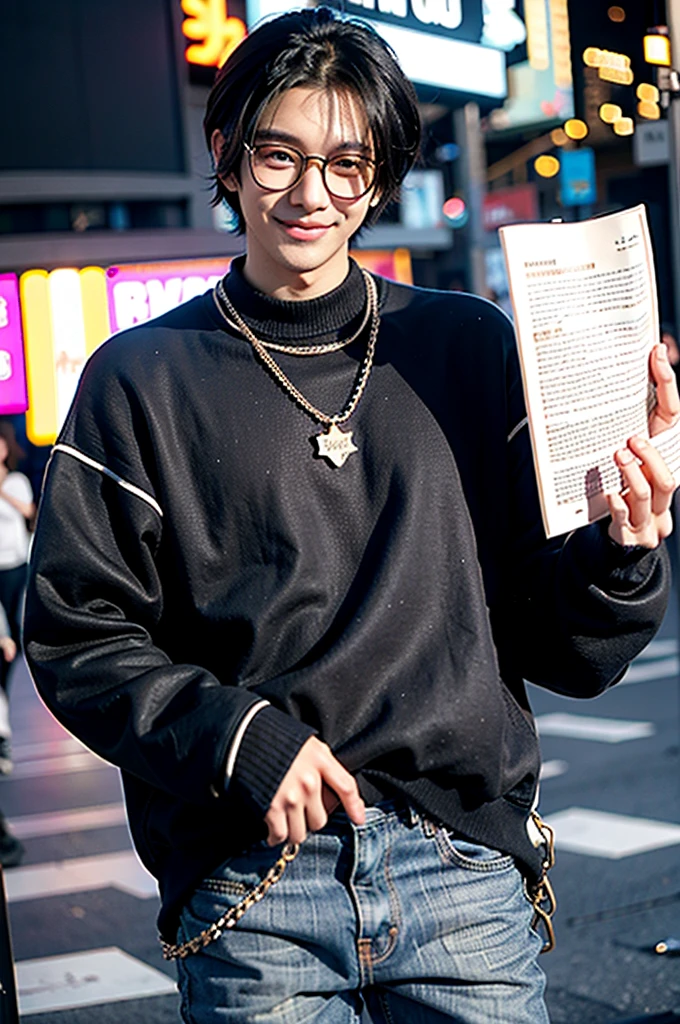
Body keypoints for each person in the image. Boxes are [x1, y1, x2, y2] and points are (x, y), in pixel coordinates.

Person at [23, 9, 677, 1023]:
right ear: (227, 155)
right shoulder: (136, 380)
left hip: (460, 870)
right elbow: (74, 632)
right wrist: (238, 738)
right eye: (278, 155)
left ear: (377, 177)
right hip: (251, 880)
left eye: (345, 163)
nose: (310, 193)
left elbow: (568, 648)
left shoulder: (464, 347)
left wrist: (619, 548)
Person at [0, 420, 34, 774]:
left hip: (16, 568)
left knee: (14, 636)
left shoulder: (17, 483)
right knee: (3, 639)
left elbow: (28, 514)